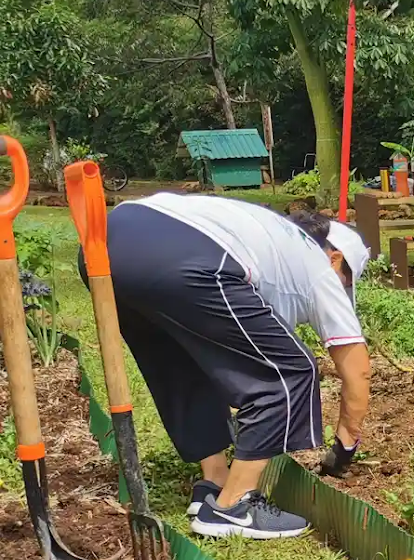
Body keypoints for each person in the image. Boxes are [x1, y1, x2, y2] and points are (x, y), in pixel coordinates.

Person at [99, 195, 371, 540]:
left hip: (108, 239)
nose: (342, 289)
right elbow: (357, 369)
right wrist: (344, 448)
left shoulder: (273, 237)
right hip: (183, 255)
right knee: (290, 372)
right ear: (336, 260)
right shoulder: (320, 269)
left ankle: (214, 482)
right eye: (348, 281)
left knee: (187, 361)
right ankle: (232, 507)